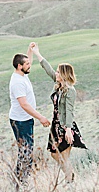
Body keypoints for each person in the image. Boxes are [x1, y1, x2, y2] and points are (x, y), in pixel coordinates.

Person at [29, 42, 86, 179]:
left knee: (64, 156)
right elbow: (47, 69)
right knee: (55, 154)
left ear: (64, 74)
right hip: (55, 125)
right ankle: (70, 175)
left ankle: (69, 180)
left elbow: (69, 111)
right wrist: (37, 53)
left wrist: (67, 129)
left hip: (65, 126)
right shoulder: (59, 85)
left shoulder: (70, 91)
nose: (56, 73)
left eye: (58, 72)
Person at [8, 50, 50, 183]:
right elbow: (24, 105)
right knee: (26, 151)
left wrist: (30, 50)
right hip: (20, 121)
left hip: (26, 120)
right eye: (26, 64)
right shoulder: (17, 82)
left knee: (27, 150)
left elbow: (28, 61)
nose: (29, 65)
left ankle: (21, 178)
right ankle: (21, 180)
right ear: (20, 66)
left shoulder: (22, 75)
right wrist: (41, 117)